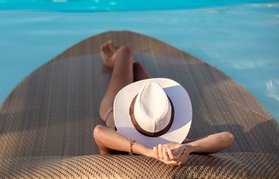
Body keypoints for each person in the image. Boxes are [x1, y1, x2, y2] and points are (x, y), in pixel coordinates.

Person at [93, 41, 234, 166]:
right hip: (143, 105)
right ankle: (130, 66)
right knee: (146, 79)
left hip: (114, 109)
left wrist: (149, 152)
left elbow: (99, 131)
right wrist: (189, 148)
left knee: (125, 51)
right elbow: (227, 137)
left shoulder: (119, 146)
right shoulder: (168, 145)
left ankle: (112, 61)